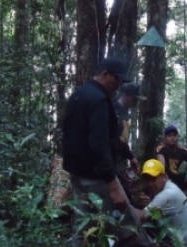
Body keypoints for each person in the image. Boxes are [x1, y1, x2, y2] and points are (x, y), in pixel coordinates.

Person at [62, 58, 153, 247]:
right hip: (97, 176)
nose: (118, 85)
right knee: (126, 221)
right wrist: (113, 184)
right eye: (116, 79)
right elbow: (99, 144)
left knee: (83, 222)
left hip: (77, 173)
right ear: (105, 74)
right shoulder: (99, 100)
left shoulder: (79, 94)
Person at [134, 159, 187, 246]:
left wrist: (124, 207)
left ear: (164, 176)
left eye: (153, 179)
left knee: (141, 227)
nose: (150, 184)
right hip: (185, 236)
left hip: (181, 242)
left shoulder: (167, 194)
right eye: (147, 180)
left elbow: (140, 217)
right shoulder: (170, 187)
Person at [113, 82, 146, 205]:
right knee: (122, 193)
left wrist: (131, 157)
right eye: (134, 99)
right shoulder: (112, 109)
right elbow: (113, 138)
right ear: (127, 95)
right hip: (106, 159)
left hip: (116, 159)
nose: (135, 102)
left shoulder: (126, 114)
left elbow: (122, 140)